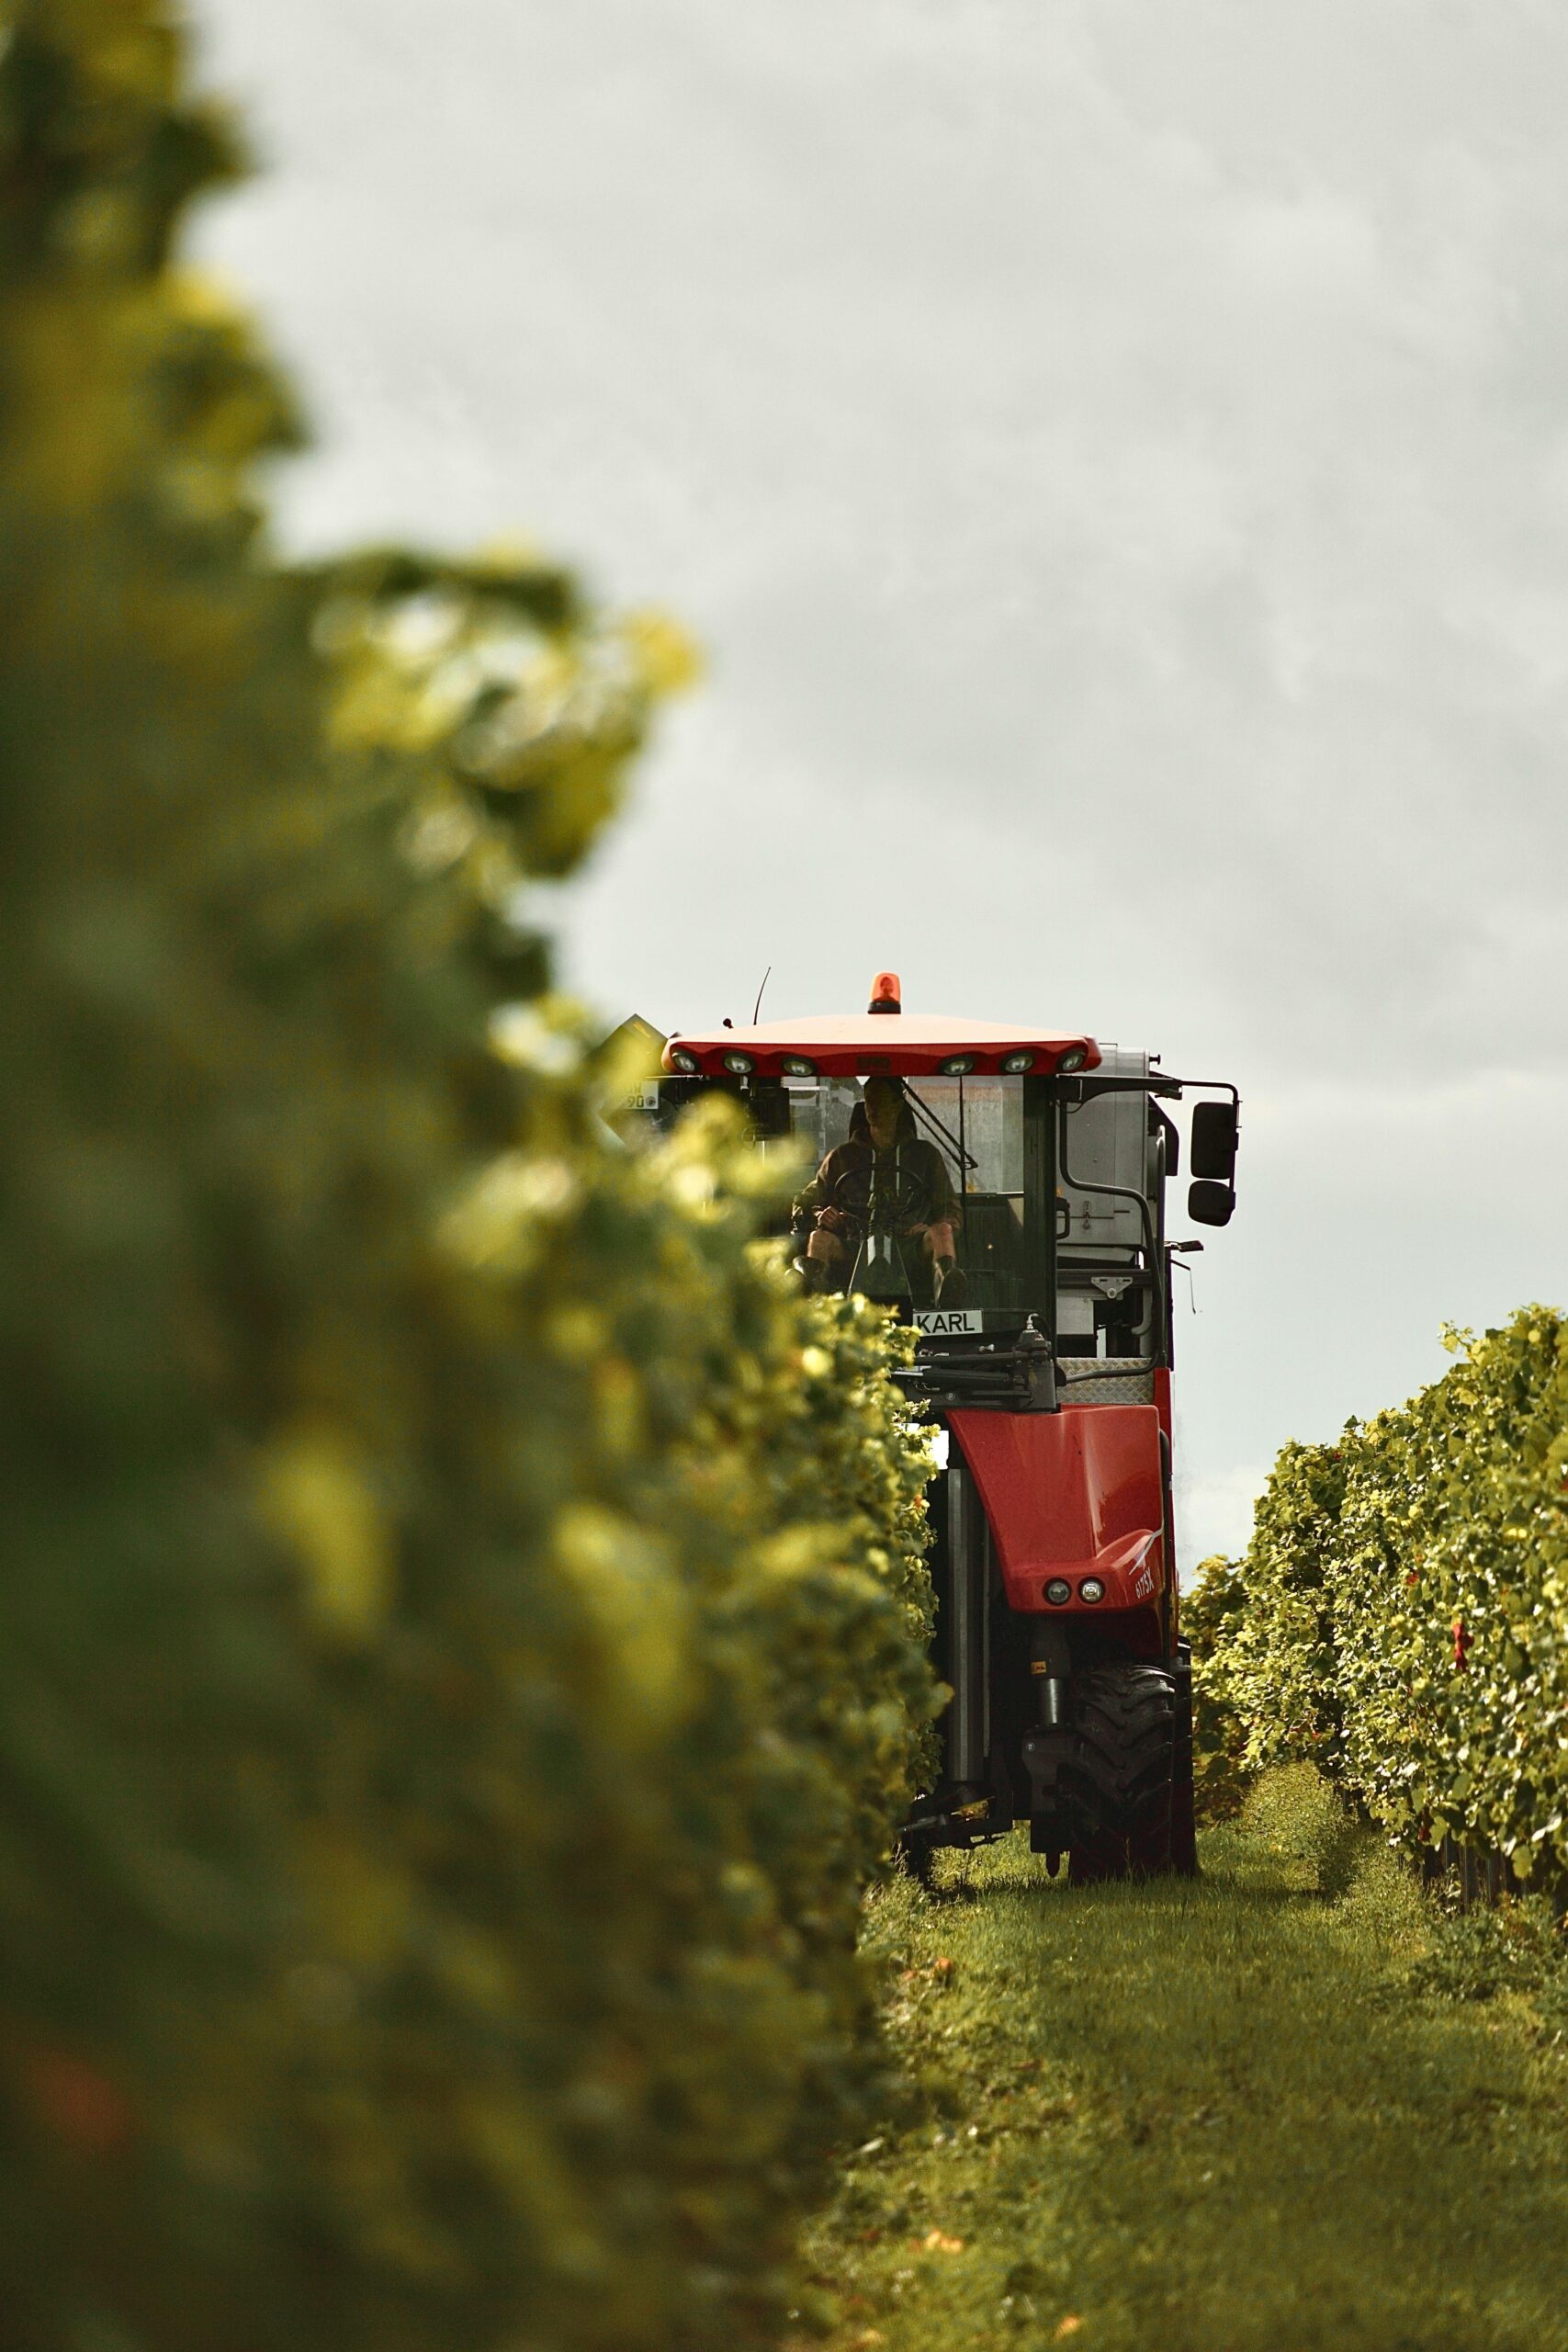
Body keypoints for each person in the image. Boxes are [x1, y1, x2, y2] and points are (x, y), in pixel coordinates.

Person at [795, 1075, 964, 1303]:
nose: (872, 1107)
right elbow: (803, 1204)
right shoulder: (841, 1157)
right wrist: (820, 1215)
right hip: (854, 1246)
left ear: (898, 1105)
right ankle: (814, 1307)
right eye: (868, 1100)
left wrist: (929, 1226)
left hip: (909, 1245)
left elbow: (950, 1211)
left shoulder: (925, 1156)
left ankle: (949, 1296)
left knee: (942, 1231)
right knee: (819, 1239)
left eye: (881, 1100)